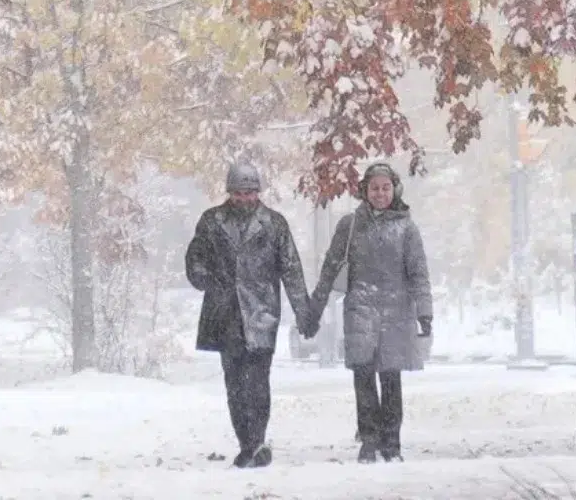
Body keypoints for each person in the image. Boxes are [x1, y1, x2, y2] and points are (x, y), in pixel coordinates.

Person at [185, 160, 319, 469]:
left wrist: (303, 313)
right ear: (229, 192)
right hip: (225, 313)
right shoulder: (211, 221)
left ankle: (255, 442)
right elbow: (195, 257)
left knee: (258, 382)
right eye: (238, 193)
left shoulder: (274, 224)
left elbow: (291, 270)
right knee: (234, 384)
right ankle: (248, 443)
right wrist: (204, 277)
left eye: (249, 193)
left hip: (261, 312)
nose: (244, 199)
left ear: (258, 192)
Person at [310, 162, 433, 463]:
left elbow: (418, 272)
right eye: (375, 188)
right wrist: (315, 306)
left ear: (395, 190)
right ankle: (369, 440)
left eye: (386, 188)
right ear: (365, 190)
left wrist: (425, 312)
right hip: (360, 310)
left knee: (391, 380)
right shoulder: (349, 225)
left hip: (396, 311)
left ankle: (392, 443)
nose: (380, 193)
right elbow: (330, 267)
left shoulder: (407, 227)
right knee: (363, 379)